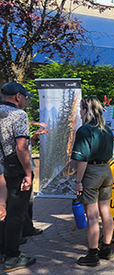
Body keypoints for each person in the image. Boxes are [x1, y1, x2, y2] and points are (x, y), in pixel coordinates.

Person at [72, 96, 114, 267]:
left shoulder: (84, 130)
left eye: (81, 108)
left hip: (91, 172)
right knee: (105, 211)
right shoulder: (107, 129)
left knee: (91, 215)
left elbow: (82, 160)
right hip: (106, 171)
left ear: (86, 110)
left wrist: (78, 181)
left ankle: (92, 254)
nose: (79, 111)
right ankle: (107, 248)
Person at [0, 81, 37, 271]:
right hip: (13, 166)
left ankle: (2, 252)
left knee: (1, 210)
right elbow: (21, 146)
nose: (24, 101)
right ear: (18, 97)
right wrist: (28, 173)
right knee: (15, 213)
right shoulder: (19, 115)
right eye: (24, 97)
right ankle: (12, 257)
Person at [22, 122, 50, 238]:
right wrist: (35, 123)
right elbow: (20, 149)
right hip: (19, 169)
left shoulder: (22, 126)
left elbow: (30, 145)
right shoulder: (13, 119)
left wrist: (34, 137)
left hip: (28, 168)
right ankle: (15, 236)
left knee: (28, 201)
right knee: (17, 203)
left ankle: (27, 228)